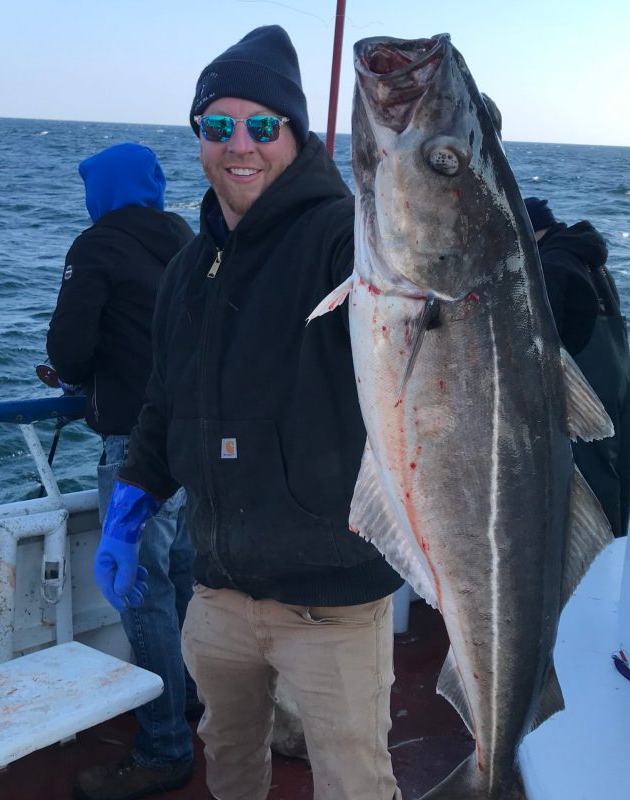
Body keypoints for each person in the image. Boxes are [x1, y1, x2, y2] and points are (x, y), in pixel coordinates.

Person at [92, 25, 404, 800]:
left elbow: (406, 261)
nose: (241, 145)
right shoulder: (187, 268)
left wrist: (423, 166)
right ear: (198, 136)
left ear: (294, 136)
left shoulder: (344, 236)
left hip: (332, 600)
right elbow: (166, 402)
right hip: (221, 590)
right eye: (218, 125)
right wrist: (132, 501)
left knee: (355, 782)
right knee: (228, 761)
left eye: (262, 126)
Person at [46, 142, 198, 800]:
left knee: (143, 597)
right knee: (187, 583)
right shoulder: (186, 237)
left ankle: (164, 747)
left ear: (101, 191)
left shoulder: (97, 245)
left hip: (138, 450)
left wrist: (73, 374)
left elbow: (71, 351)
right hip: (196, 443)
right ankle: (189, 706)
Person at [524, 196, 630, 537]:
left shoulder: (551, 265)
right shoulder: (588, 257)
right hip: (617, 379)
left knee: (586, 488)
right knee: (616, 474)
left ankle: (590, 576)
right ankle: (614, 560)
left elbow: (540, 343)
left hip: (584, 390)